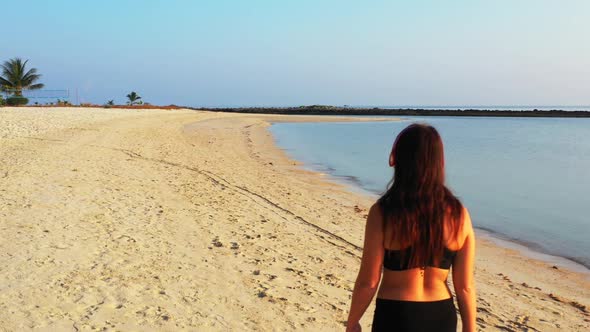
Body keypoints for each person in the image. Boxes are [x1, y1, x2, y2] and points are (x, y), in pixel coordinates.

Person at [345, 123, 476, 332]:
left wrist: (353, 322)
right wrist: (471, 329)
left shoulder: (383, 212)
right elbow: (465, 287)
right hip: (441, 315)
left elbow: (369, 282)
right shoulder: (460, 215)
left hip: (396, 314)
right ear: (438, 162)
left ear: (400, 159)